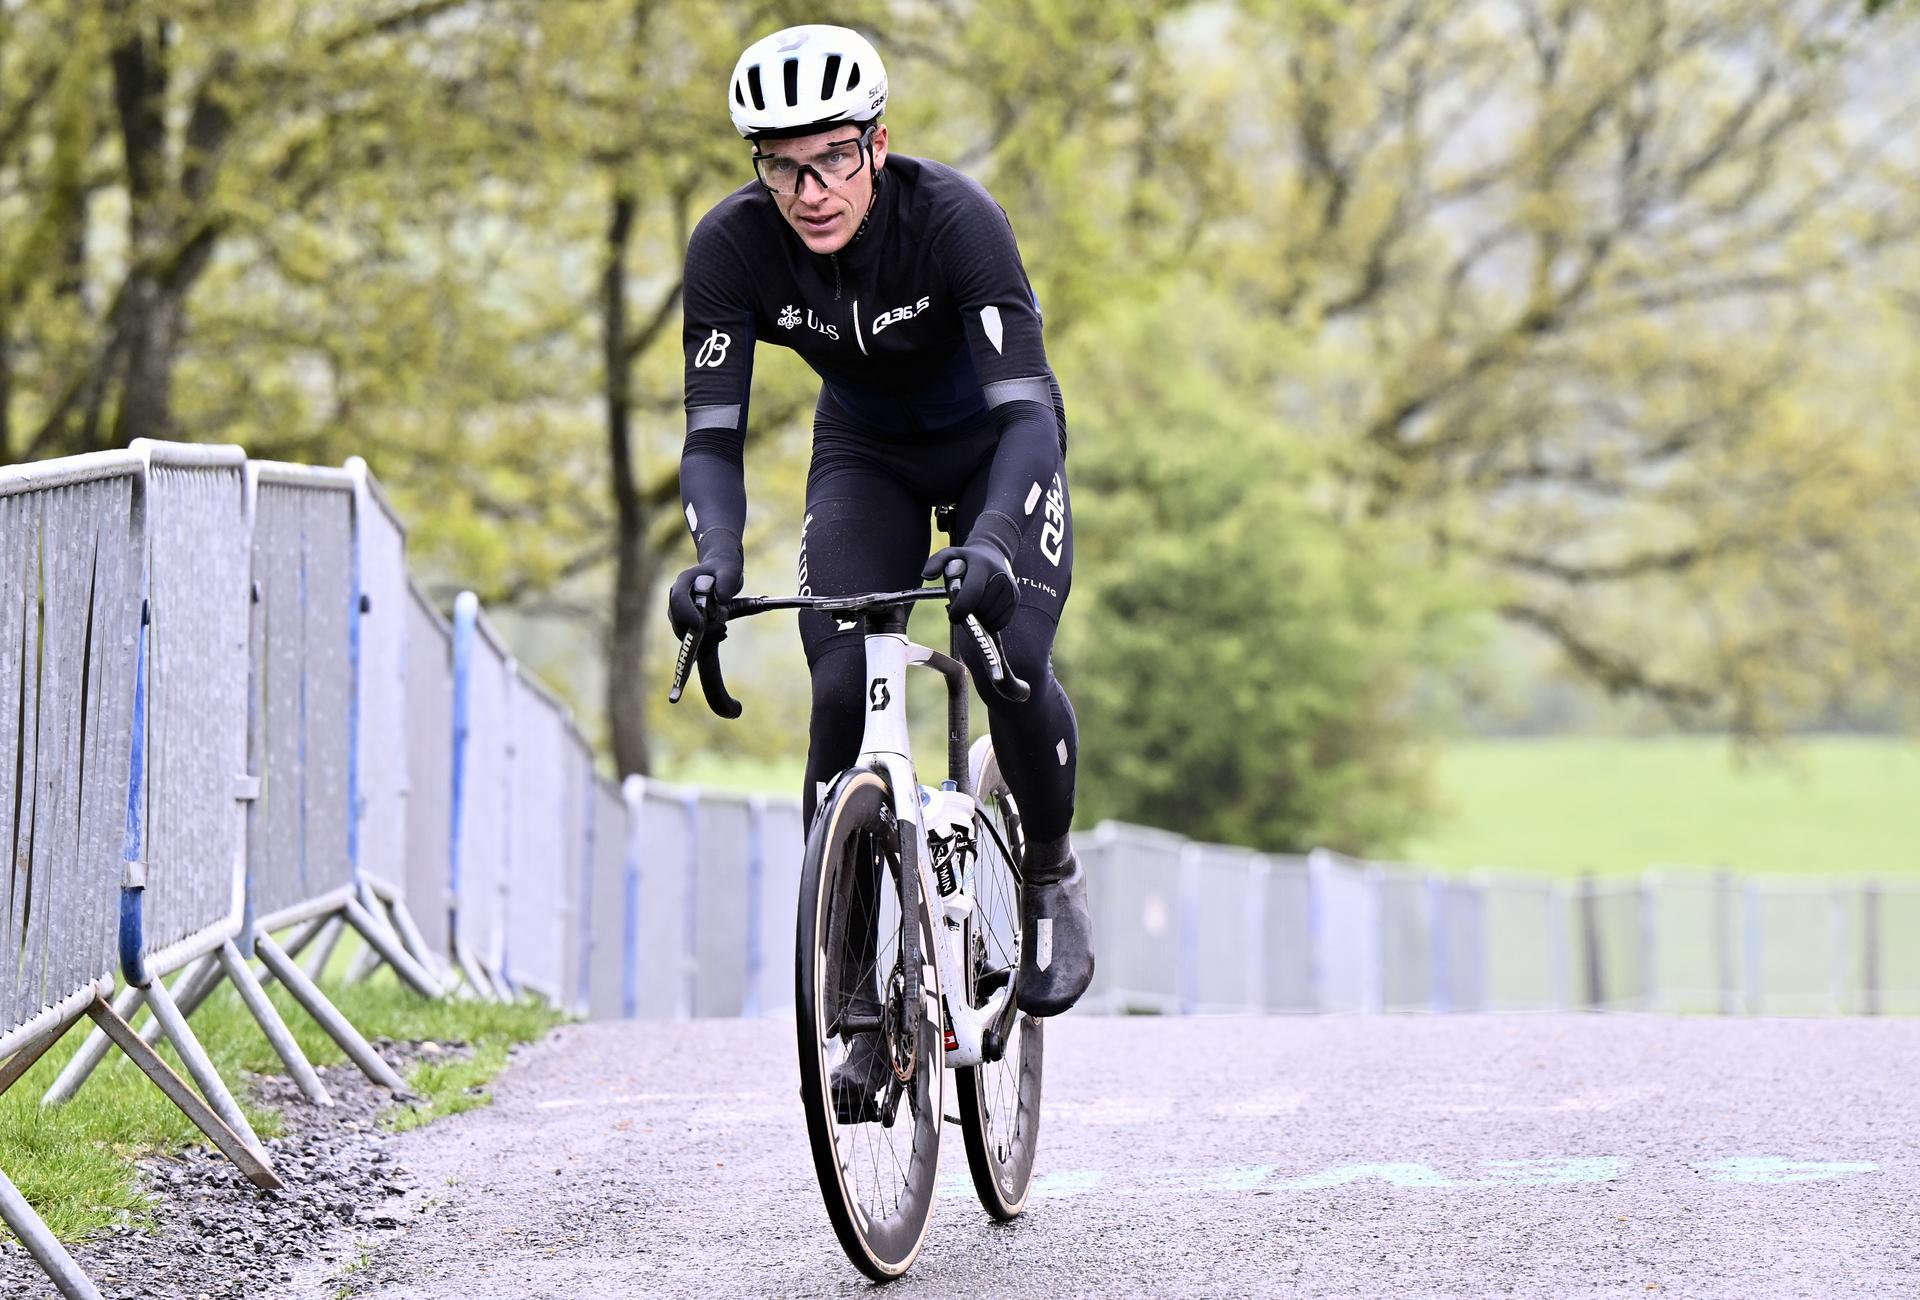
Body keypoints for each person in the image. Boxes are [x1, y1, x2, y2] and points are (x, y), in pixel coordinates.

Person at [667, 23, 1092, 1090]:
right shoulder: (731, 248)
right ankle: (859, 1002)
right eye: (781, 167)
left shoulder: (955, 221)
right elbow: (712, 438)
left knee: (1004, 657)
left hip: (998, 445)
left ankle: (1046, 873)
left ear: (878, 144)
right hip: (867, 454)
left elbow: (1031, 413)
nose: (809, 191)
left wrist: (993, 540)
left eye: (832, 159)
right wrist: (714, 558)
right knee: (841, 683)